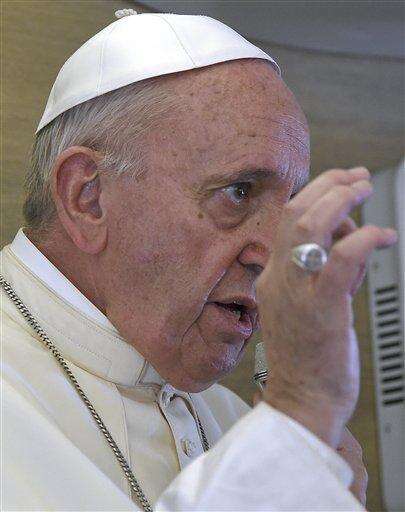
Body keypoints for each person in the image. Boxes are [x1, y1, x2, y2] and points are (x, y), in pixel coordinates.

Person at [2, 9, 396, 511]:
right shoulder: (285, 427)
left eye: (291, 206)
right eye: (239, 191)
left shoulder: (237, 421)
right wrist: (299, 420)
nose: (274, 254)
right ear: (88, 197)